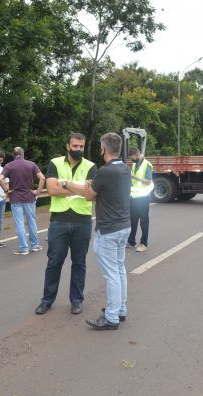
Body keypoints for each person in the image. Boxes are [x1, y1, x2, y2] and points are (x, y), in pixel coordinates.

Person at [65, 132, 131, 330]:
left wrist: (66, 184)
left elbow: (88, 196)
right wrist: (92, 186)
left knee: (111, 275)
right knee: (119, 270)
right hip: (124, 226)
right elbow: (103, 189)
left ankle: (111, 317)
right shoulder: (125, 169)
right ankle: (120, 310)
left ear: (103, 149)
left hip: (109, 229)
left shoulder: (104, 171)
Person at [34, 133, 97, 316]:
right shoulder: (55, 163)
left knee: (79, 263)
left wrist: (65, 184)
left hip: (82, 221)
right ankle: (47, 300)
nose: (79, 149)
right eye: (75, 146)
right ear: (67, 146)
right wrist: (79, 187)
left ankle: (76, 301)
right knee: (54, 262)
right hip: (59, 220)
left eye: (81, 146)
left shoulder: (91, 166)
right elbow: (52, 190)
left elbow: (91, 194)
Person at [0, 147, 45, 255]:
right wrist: (37, 192)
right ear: (23, 154)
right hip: (29, 196)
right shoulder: (31, 164)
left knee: (19, 224)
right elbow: (42, 178)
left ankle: (24, 248)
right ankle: (35, 245)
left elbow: (0, 179)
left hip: (15, 197)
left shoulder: (9, 166)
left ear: (13, 155)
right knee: (31, 222)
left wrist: (6, 190)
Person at [127, 147, 153, 252]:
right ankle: (131, 241)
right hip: (134, 197)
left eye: (132, 157)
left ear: (136, 155)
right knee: (132, 220)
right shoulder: (135, 164)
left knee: (144, 221)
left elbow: (148, 181)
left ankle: (143, 243)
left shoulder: (146, 165)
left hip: (143, 197)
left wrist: (133, 177)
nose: (131, 160)